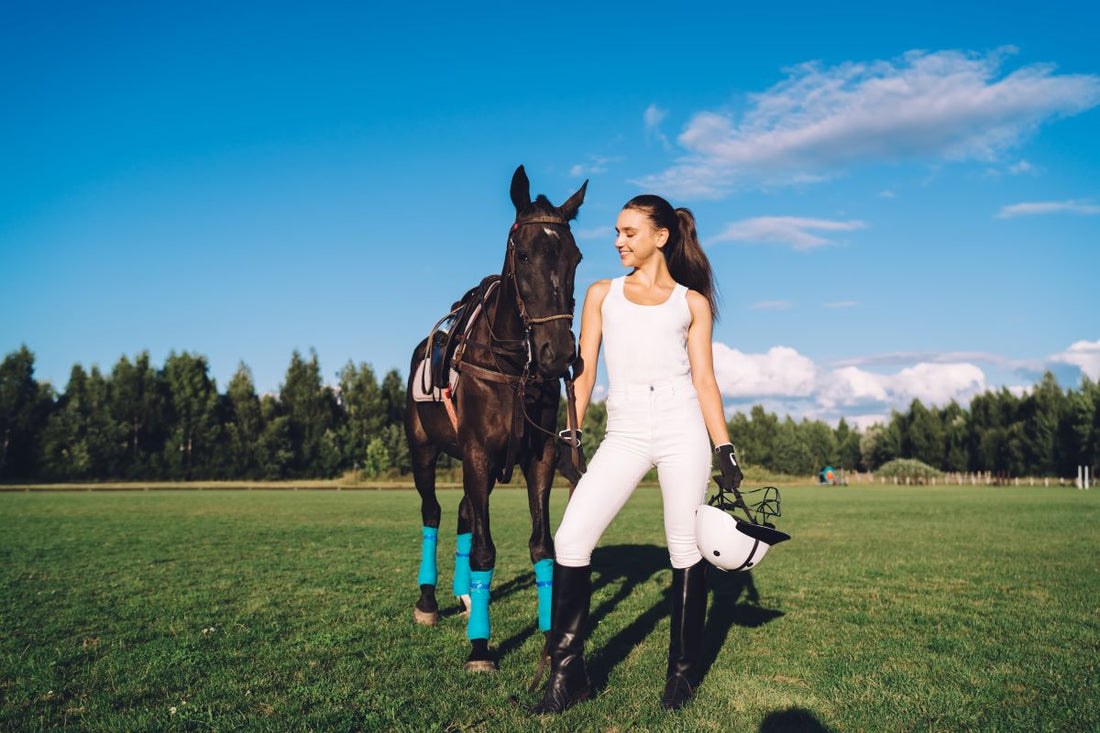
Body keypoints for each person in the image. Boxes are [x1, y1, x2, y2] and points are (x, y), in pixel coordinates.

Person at [533, 194, 743, 714]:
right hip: (624, 429)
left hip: (681, 427)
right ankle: (568, 677)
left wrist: (725, 449)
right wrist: (571, 433)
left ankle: (682, 677)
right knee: (571, 536)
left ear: (661, 237)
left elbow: (705, 380)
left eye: (629, 232)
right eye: (618, 232)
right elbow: (582, 372)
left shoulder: (690, 303)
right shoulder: (602, 294)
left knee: (683, 547)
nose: (618, 240)